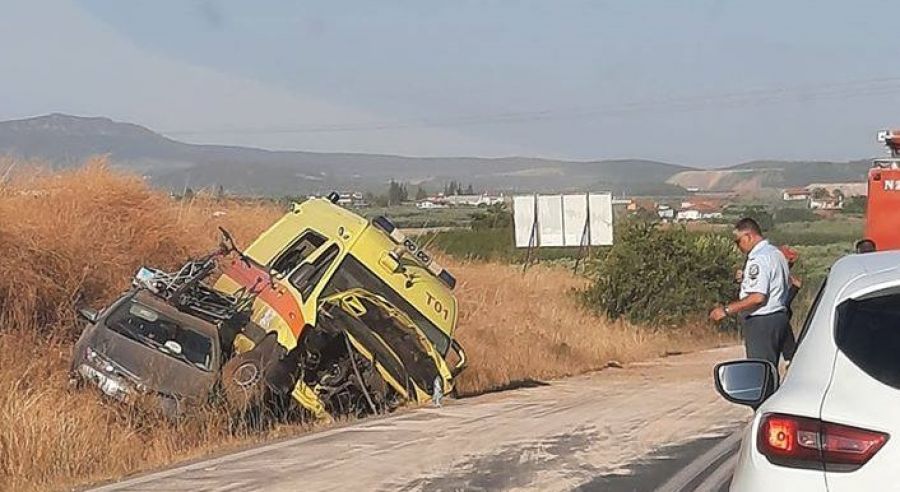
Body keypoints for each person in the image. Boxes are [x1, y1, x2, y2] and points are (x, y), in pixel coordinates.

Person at [709, 218, 792, 368]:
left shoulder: (758, 259)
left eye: (738, 241)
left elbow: (758, 297)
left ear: (748, 236)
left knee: (760, 373)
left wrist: (726, 310)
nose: (738, 246)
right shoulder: (776, 253)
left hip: (762, 321)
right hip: (779, 317)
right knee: (771, 370)